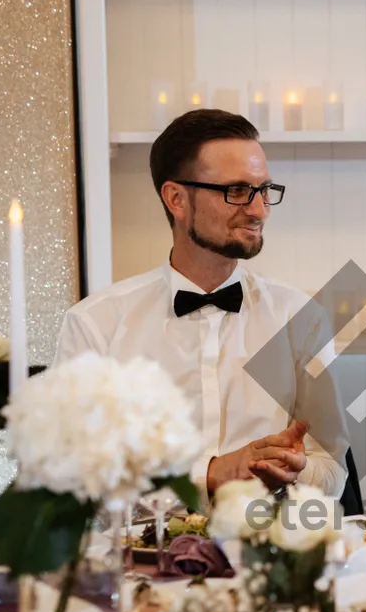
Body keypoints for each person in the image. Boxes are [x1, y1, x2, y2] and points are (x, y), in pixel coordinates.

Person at [55, 109, 348, 498]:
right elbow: (70, 471)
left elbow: (332, 469)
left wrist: (299, 469)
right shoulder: (96, 324)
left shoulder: (300, 318)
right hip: (140, 554)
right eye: (237, 191)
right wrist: (211, 472)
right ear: (176, 198)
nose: (259, 211)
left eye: (264, 191)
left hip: (267, 549)